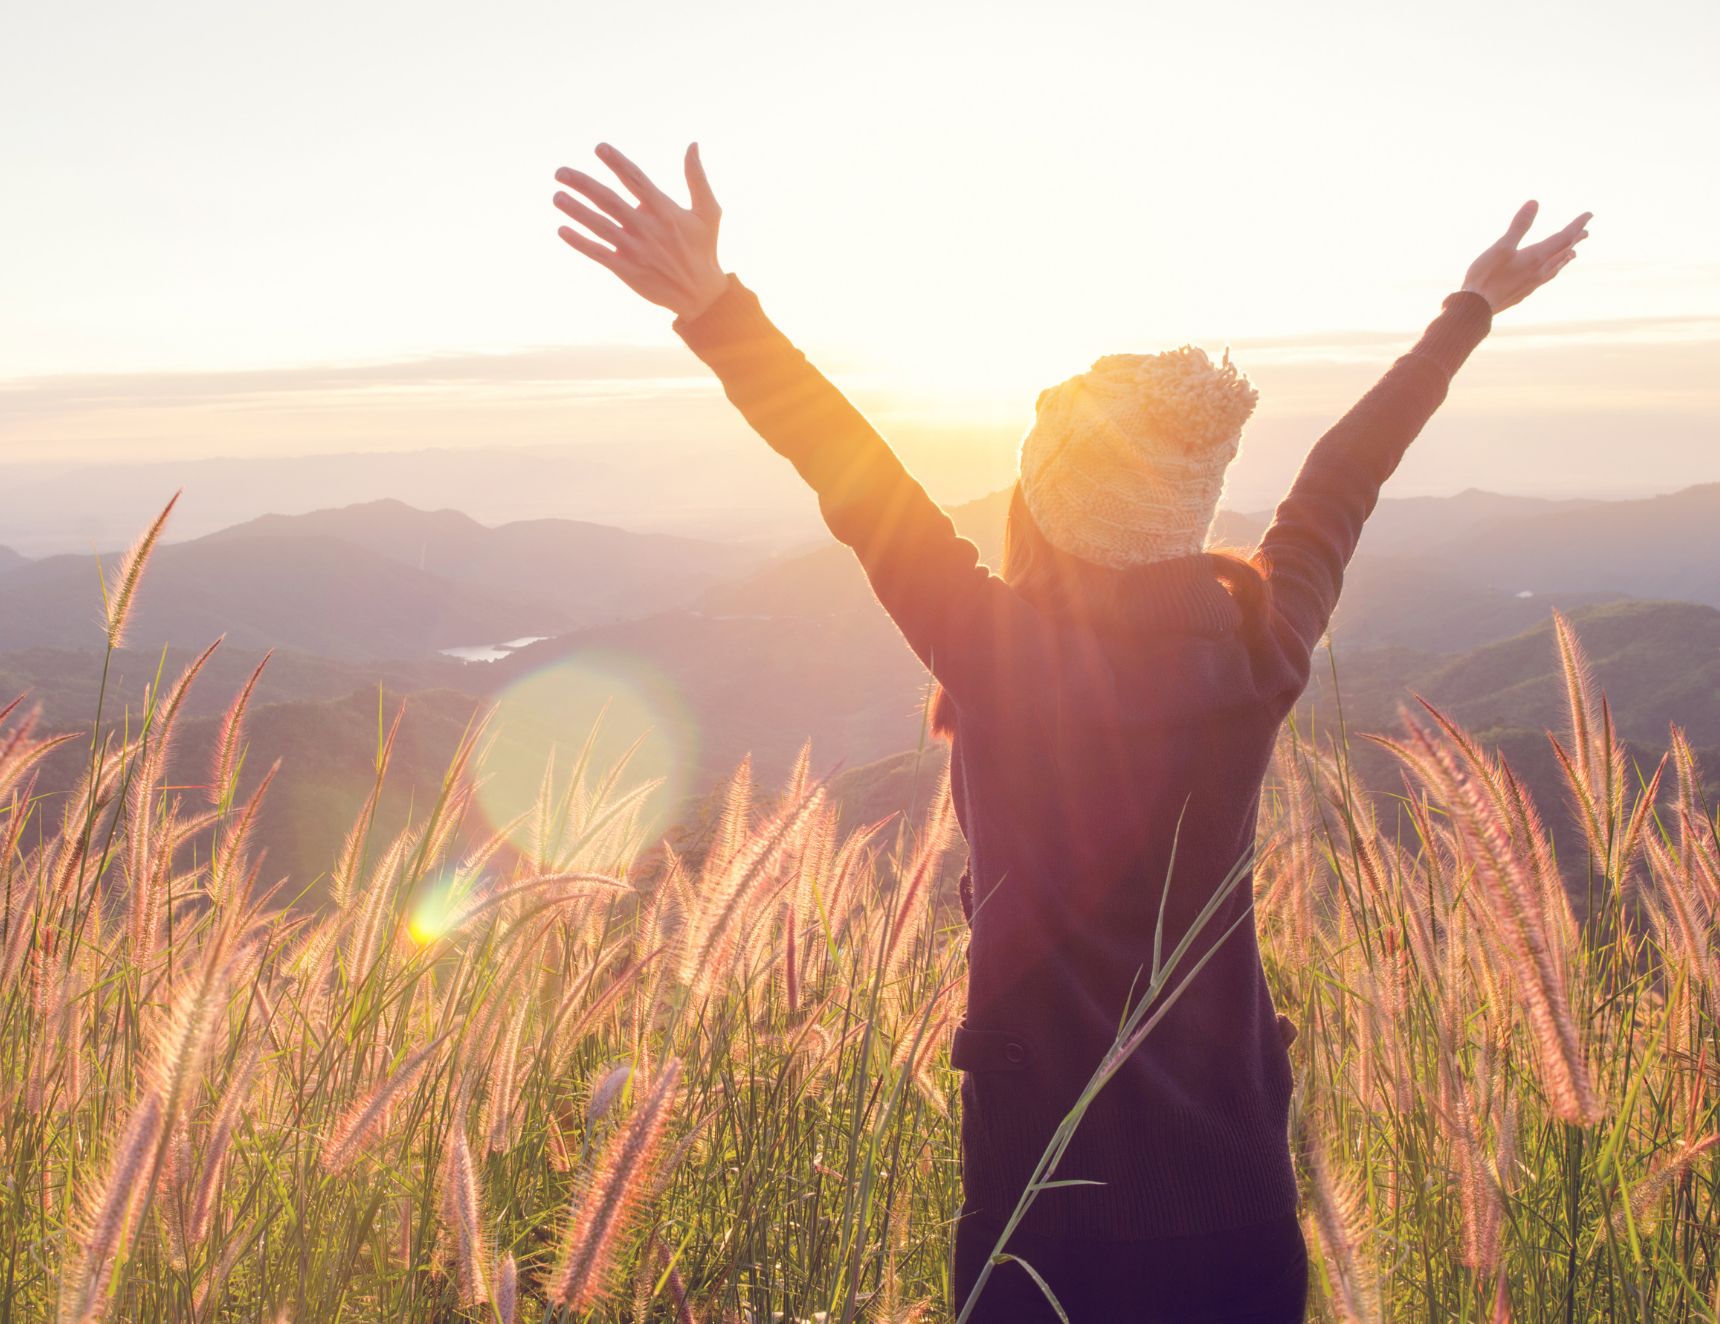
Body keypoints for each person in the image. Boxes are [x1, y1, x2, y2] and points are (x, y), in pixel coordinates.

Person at [552, 142, 1589, 1323]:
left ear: (1038, 505)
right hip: (1236, 1196)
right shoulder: (1259, 646)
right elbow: (1339, 480)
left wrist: (713, 306)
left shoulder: (1003, 658)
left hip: (1044, 1213)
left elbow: (855, 476)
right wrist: (1469, 309)